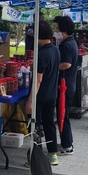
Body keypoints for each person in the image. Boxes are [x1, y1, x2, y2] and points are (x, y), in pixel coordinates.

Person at [25, 20, 60, 165]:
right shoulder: (55, 49)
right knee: (49, 123)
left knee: (35, 125)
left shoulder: (42, 54)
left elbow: (38, 80)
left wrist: (30, 101)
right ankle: (52, 154)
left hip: (41, 95)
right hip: (52, 94)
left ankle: (36, 158)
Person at [54, 16, 79, 155]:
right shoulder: (71, 42)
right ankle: (66, 142)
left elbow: (66, 64)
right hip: (68, 83)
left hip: (65, 85)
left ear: (63, 30)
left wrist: (53, 67)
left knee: (63, 115)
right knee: (63, 114)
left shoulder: (66, 45)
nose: (55, 31)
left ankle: (67, 145)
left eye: (57, 28)